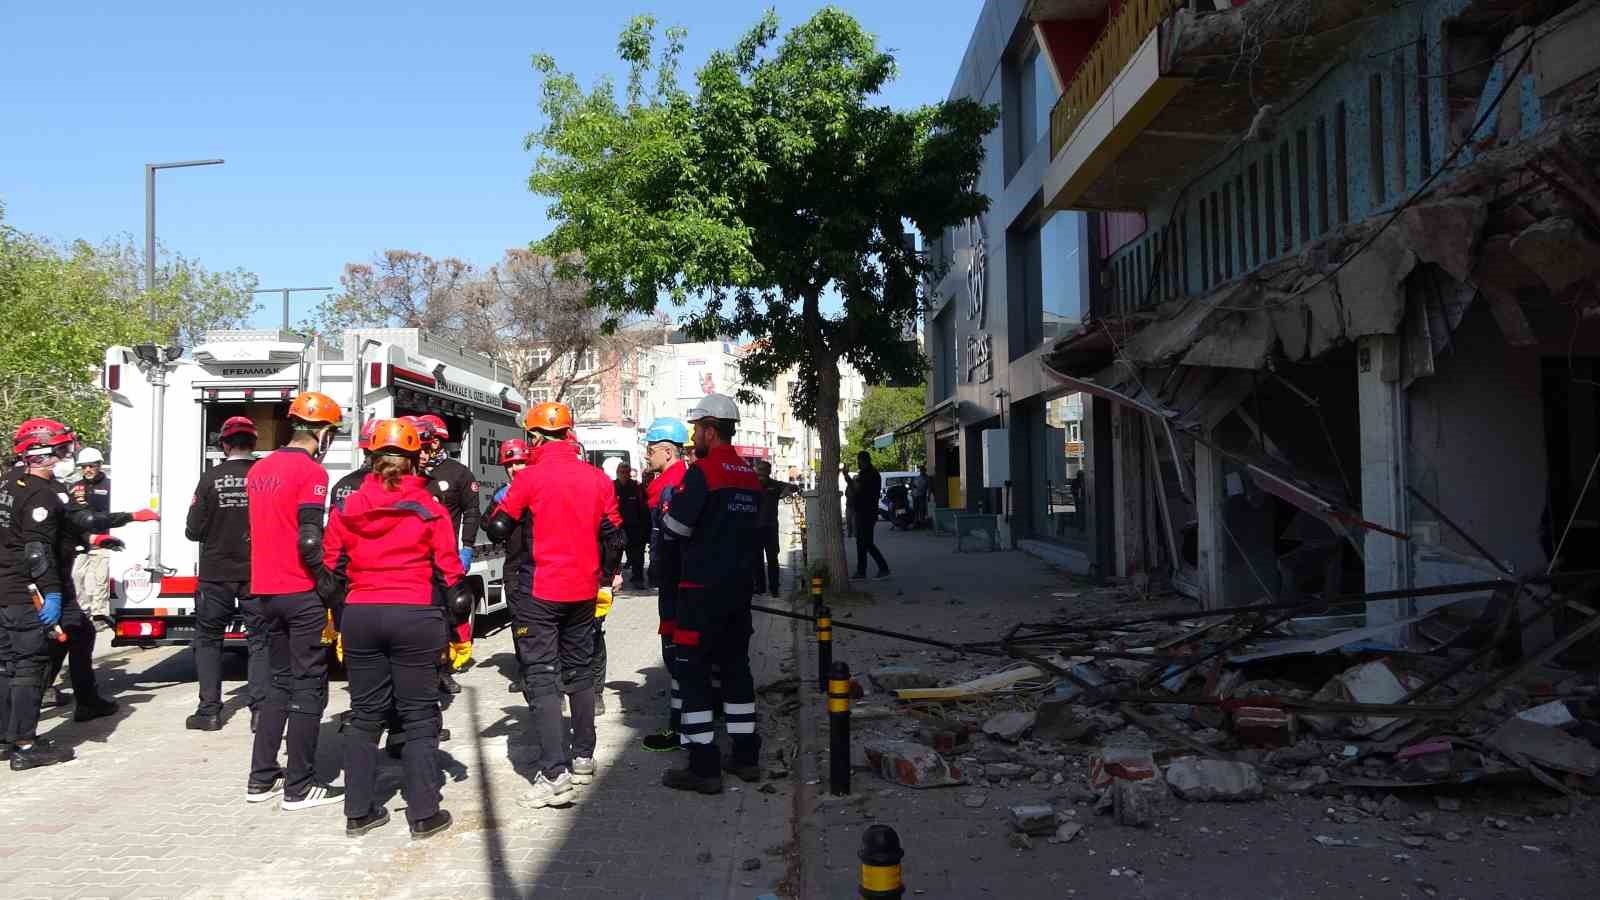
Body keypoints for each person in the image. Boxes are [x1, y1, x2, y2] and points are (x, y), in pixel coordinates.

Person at [323, 418, 468, 840]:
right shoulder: (428, 505)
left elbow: (331, 564)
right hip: (414, 613)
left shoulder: (350, 505)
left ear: (370, 457)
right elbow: (448, 567)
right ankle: (423, 814)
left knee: (366, 714)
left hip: (362, 614)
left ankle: (358, 811)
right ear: (414, 460)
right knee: (420, 715)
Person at [484, 401, 624, 809]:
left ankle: (554, 773)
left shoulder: (528, 480)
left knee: (543, 677)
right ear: (569, 433)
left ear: (535, 438)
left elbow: (497, 526)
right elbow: (615, 535)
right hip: (583, 590)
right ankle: (583, 756)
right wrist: (604, 574)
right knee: (580, 673)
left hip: (539, 590)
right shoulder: (597, 479)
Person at [1, 419, 156, 769]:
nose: (66, 455)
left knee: (12, 662)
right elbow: (38, 550)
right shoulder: (41, 493)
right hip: (30, 591)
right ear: (41, 451)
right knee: (28, 666)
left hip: (7, 588)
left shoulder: (11, 484)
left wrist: (108, 530)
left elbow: (68, 525)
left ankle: (10, 732)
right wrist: (52, 594)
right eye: (62, 449)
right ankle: (24, 745)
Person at [245, 391, 345, 810]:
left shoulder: (259, 470)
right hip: (298, 590)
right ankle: (299, 786)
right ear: (321, 432)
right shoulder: (311, 472)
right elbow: (308, 536)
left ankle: (261, 776)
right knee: (308, 687)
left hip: (264, 591)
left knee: (276, 684)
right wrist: (326, 582)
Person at [659, 393, 763, 793]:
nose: (693, 438)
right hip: (738, 592)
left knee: (694, 673)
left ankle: (704, 767)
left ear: (708, 429)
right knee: (737, 670)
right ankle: (745, 756)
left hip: (700, 592)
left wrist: (666, 516)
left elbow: (676, 531)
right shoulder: (750, 476)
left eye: (695, 430)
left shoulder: (703, 472)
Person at [183, 416, 267, 733]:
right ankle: (260, 712)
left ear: (224, 444)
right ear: (253, 443)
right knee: (260, 641)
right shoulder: (265, 476)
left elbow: (193, 531)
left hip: (216, 572)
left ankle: (209, 711)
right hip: (256, 570)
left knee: (208, 639)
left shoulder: (210, 478)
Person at [416, 414, 479, 692]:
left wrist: (466, 546)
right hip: (414, 558)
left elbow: (472, 511)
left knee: (445, 616)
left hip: (445, 556)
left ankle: (443, 671)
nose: (428, 448)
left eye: (432, 442)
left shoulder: (459, 473)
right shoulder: (411, 472)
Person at [639, 416, 689, 753]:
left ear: (668, 452)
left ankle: (680, 727)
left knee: (677, 654)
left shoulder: (674, 487)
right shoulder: (669, 483)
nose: (646, 456)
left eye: (651, 450)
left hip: (678, 582)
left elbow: (670, 540)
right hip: (677, 580)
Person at [484, 440, 533, 694]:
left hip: (540, 567)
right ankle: (525, 670)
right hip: (514, 567)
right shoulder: (502, 494)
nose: (515, 468)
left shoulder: (541, 489)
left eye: (520, 462)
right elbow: (486, 524)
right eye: (510, 464)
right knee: (519, 623)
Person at [68, 447, 112, 623]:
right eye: (84, 466)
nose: (87, 470)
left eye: (91, 466)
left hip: (103, 540)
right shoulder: (75, 487)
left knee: (100, 580)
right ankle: (83, 610)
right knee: (76, 576)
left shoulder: (110, 486)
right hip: (81, 542)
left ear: (99, 465)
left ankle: (99, 614)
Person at [752, 460, 796, 597]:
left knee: (772, 558)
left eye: (764, 474)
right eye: (760, 473)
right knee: (757, 559)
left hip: (771, 527)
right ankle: (760, 587)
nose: (762, 477)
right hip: (755, 528)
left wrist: (787, 491)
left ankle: (774, 587)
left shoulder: (775, 485)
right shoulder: (751, 484)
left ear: (768, 473)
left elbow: (793, 487)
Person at [843, 451, 890, 579]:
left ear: (863, 461)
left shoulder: (870, 474)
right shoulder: (866, 473)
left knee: (866, 542)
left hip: (867, 512)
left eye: (859, 461)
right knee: (861, 542)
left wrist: (847, 477)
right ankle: (861, 571)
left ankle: (883, 568)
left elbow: (857, 489)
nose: (858, 463)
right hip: (863, 511)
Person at [614, 462, 649, 590]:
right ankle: (615, 581)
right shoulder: (612, 486)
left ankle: (638, 579)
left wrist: (645, 529)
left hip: (635, 528)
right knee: (615, 556)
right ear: (617, 473)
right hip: (617, 528)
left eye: (626, 472)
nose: (624, 474)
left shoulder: (637, 487)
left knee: (637, 557)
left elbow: (644, 508)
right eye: (621, 472)